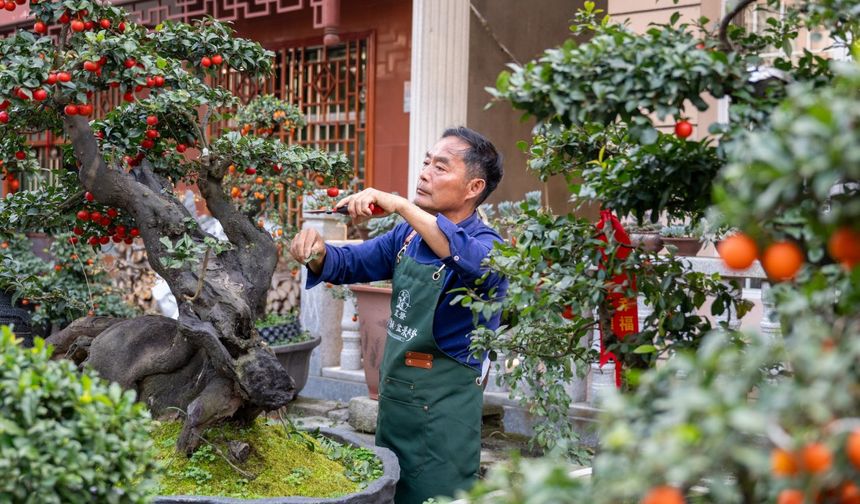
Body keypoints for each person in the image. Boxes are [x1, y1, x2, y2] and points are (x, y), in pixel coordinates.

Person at [290, 127, 508, 503]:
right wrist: (318, 252)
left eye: (440, 167)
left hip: (443, 417)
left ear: (474, 187)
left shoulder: (488, 246)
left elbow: (467, 261)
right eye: (426, 162)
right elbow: (353, 262)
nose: (424, 173)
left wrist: (401, 204)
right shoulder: (407, 236)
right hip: (394, 408)